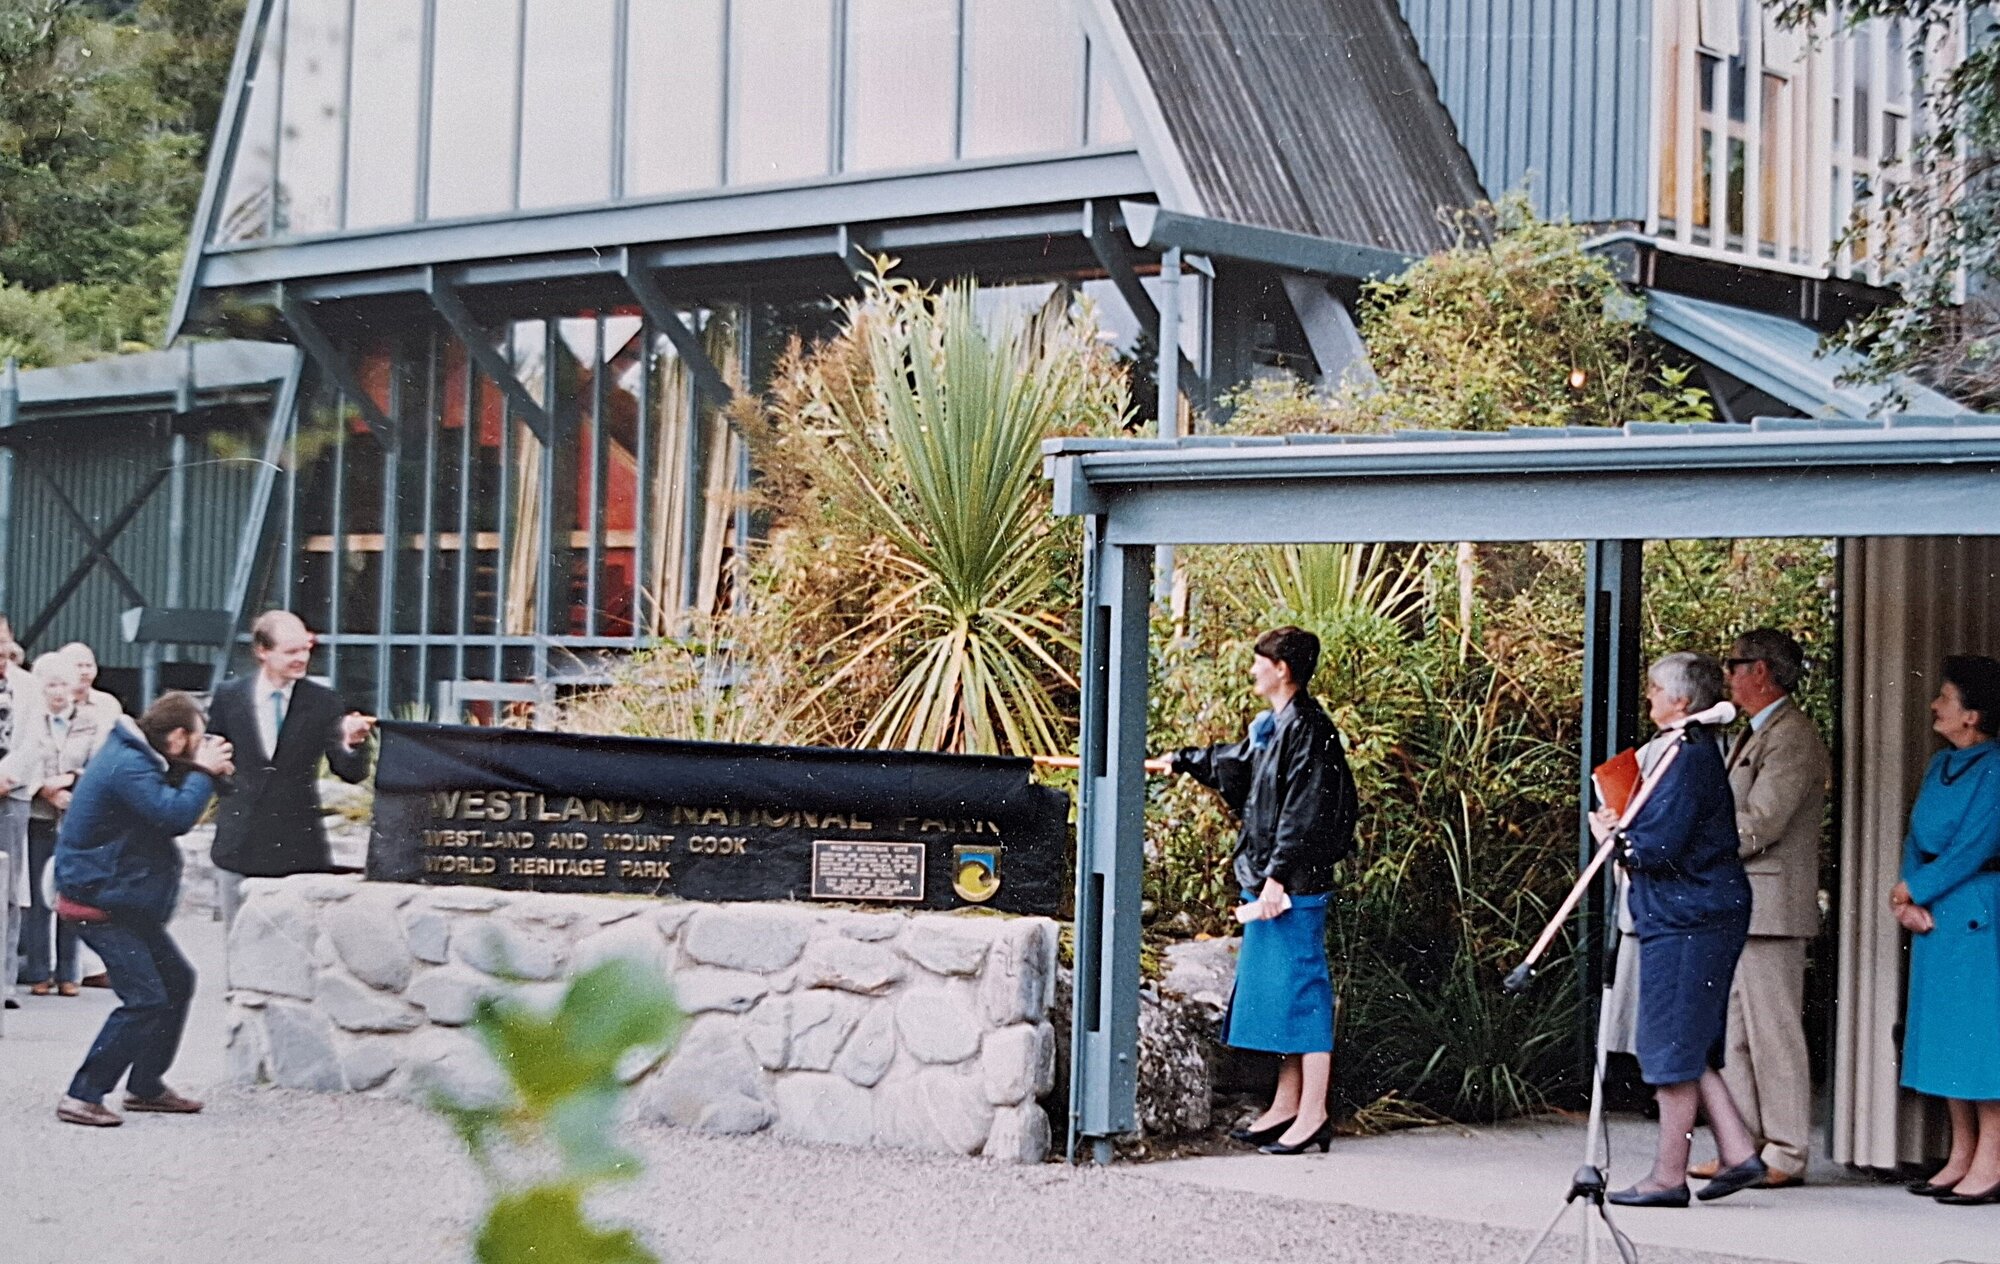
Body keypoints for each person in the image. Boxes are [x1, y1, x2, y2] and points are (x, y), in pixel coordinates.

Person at [1168, 626, 1359, 1156]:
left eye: (1260, 661)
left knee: (1304, 995)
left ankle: (1314, 1112)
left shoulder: (1310, 729)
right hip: (1277, 880)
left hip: (1293, 885)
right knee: (1281, 997)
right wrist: (1185, 760)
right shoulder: (1278, 725)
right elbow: (1243, 766)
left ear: (1282, 669)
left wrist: (1276, 877)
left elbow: (1304, 811)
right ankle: (1286, 1103)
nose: (1252, 669)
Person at [1591, 652, 1764, 1207]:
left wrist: (1615, 840)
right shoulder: (1684, 753)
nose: (1649, 699)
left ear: (1681, 701)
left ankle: (1669, 1175)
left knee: (1668, 1040)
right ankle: (1739, 1152)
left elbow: (1660, 846)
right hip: (1690, 912)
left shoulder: (1686, 758)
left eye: (1655, 691)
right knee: (1687, 1039)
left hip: (1690, 916)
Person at [1684, 629, 1829, 1189]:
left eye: (1736, 665)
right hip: (1745, 905)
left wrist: (1695, 842)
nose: (1729, 675)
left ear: (1763, 672)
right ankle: (1743, 1148)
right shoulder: (1757, 733)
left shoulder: (1791, 738)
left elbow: (1763, 821)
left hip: (1771, 909)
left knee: (1774, 1035)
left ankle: (1787, 1152)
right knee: (1739, 1035)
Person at [52, 692, 234, 1126]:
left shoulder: (138, 754)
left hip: (120, 899)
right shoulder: (128, 764)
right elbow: (173, 815)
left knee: (178, 980)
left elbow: (177, 792)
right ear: (176, 737)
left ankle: (146, 1086)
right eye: (196, 738)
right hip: (97, 899)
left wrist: (210, 771)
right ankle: (82, 1095)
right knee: (145, 997)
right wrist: (204, 771)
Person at [1891, 655, 2000, 1205]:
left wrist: (1917, 889)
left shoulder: (1997, 768)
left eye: (1946, 698)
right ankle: (1960, 1153)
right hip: (1936, 916)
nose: (1934, 705)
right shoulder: (1940, 766)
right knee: (1947, 1039)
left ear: (1973, 715)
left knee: (1982, 1040)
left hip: (1979, 910)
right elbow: (1917, 834)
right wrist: (1905, 896)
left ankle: (1994, 1158)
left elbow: (1974, 846)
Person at [207, 611, 373, 926]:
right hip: (237, 845)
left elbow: (350, 771)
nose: (302, 658)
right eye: (291, 651)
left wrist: (352, 742)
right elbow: (213, 758)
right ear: (262, 652)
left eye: (306, 649)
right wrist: (231, 793)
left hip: (297, 848)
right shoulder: (229, 697)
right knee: (239, 953)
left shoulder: (323, 702)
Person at [3, 654, 107, 997]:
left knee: (71, 896)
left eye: (63, 683)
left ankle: (69, 973)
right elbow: (27, 757)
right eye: (50, 684)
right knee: (35, 895)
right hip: (39, 816)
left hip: (76, 820)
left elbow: (99, 765)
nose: (58, 691)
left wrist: (71, 782)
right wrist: (45, 788)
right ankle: (37, 973)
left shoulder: (90, 721)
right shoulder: (33, 720)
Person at [0, 613, 38, 1011]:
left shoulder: (28, 686)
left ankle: (4, 982)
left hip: (13, 795)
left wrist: (6, 777)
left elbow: (34, 742)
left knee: (9, 890)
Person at [60, 642, 125, 731]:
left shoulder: (108, 703)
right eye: (79, 666)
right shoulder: (50, 704)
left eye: (89, 666)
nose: (85, 672)